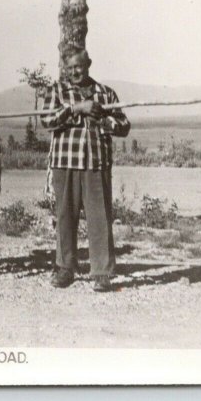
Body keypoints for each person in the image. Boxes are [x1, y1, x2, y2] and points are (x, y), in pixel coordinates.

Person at [40, 47, 131, 292]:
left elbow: (124, 125)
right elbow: (46, 120)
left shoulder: (106, 93)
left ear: (88, 63)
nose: (74, 72)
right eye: (69, 68)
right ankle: (65, 268)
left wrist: (105, 120)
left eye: (78, 66)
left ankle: (101, 272)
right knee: (65, 216)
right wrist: (75, 109)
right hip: (65, 162)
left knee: (100, 218)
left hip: (95, 163)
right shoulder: (57, 91)